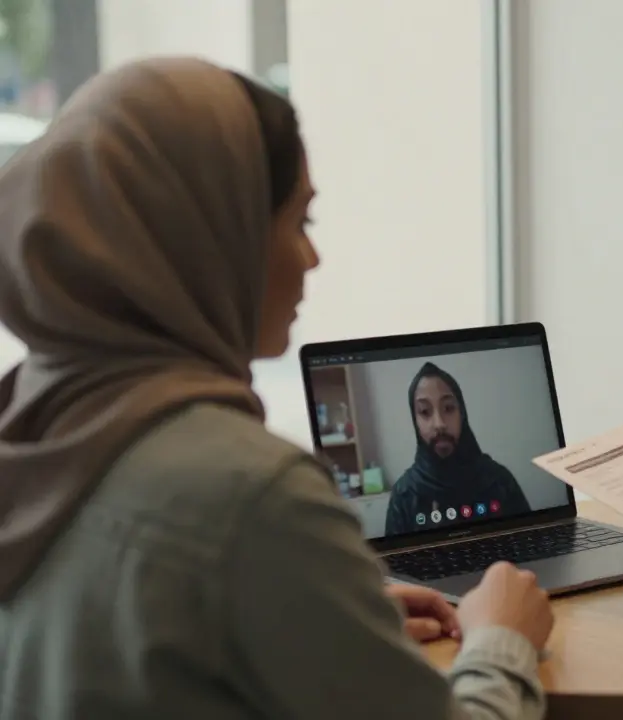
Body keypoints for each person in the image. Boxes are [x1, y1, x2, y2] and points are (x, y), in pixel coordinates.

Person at [0, 58, 553, 720]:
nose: (311, 258)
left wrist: (324, 615)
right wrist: (501, 639)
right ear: (211, 239)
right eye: (301, 223)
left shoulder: (27, 432)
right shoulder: (254, 495)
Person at [385, 361, 532, 534]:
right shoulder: (404, 495)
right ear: (415, 421)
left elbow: (532, 544)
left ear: (461, 413)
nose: (439, 424)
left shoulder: (499, 481)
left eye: (448, 408)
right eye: (425, 412)